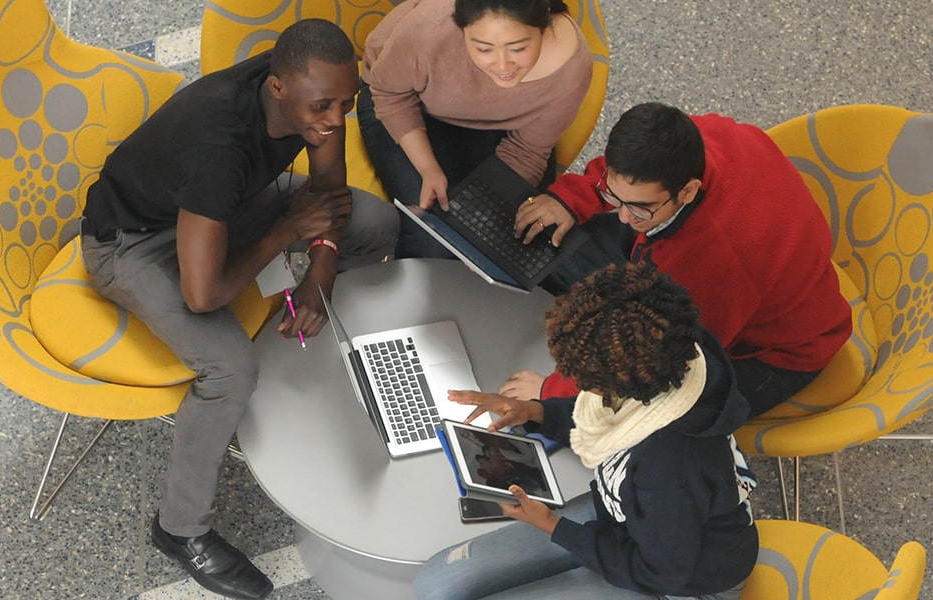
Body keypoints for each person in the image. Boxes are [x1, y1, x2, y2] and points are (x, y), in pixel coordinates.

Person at [78, 19, 396, 600]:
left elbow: (330, 192)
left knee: (375, 224)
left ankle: (324, 343)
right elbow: (204, 295)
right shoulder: (218, 145)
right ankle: (179, 529)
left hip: (219, 212)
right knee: (229, 368)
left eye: (346, 105)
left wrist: (321, 269)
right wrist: (285, 234)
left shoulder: (307, 91)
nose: (334, 121)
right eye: (323, 106)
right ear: (278, 91)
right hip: (130, 242)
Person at [416, 263, 759, 600]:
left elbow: (659, 571)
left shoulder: (672, 465)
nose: (578, 386)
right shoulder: (664, 362)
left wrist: (553, 526)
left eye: (590, 382)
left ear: (625, 383)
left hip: (682, 582)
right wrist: (535, 410)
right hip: (629, 519)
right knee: (437, 584)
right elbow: (599, 416)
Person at [509, 102, 850, 418]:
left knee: (652, 417)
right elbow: (622, 175)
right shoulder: (691, 140)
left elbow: (661, 357)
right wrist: (573, 198)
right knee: (557, 239)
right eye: (617, 198)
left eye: (640, 208)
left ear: (687, 190)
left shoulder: (714, 263)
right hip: (725, 272)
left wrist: (551, 392)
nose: (624, 217)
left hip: (774, 353)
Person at [358, 0, 593, 257]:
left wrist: (480, 224)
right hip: (405, 103)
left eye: (518, 48)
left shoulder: (571, 68)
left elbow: (528, 150)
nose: (503, 66)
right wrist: (428, 169)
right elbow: (389, 94)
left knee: (514, 237)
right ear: (461, 29)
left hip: (499, 123)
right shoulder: (428, 30)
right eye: (484, 48)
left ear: (543, 26)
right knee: (433, 236)